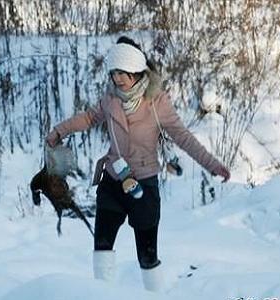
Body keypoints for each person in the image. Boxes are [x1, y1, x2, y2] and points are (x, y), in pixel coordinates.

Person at [45, 36, 230, 292]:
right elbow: (88, 118)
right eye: (114, 72)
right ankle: (102, 295)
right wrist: (59, 131)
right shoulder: (111, 99)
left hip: (143, 185)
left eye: (123, 72)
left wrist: (213, 164)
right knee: (102, 246)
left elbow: (182, 136)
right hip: (113, 180)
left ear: (136, 70)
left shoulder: (157, 102)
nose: (118, 78)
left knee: (147, 256)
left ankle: (154, 296)